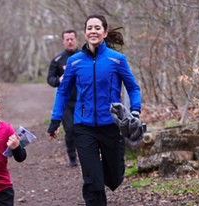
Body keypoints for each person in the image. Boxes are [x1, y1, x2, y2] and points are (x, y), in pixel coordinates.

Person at [47, 14, 141, 206]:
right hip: (84, 127)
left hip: (112, 126)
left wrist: (135, 112)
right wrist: (55, 120)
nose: (93, 31)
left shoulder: (117, 60)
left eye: (97, 28)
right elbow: (63, 92)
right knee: (92, 182)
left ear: (105, 32)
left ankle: (109, 176)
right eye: (89, 28)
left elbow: (133, 88)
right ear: (85, 33)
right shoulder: (75, 62)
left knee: (114, 178)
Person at [46, 29, 80, 168]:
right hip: (66, 102)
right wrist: (58, 80)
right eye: (67, 39)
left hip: (83, 101)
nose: (70, 41)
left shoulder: (84, 56)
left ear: (76, 40)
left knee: (84, 129)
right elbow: (50, 79)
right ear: (63, 41)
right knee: (70, 130)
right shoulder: (58, 60)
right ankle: (72, 157)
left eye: (72, 39)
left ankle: (86, 154)